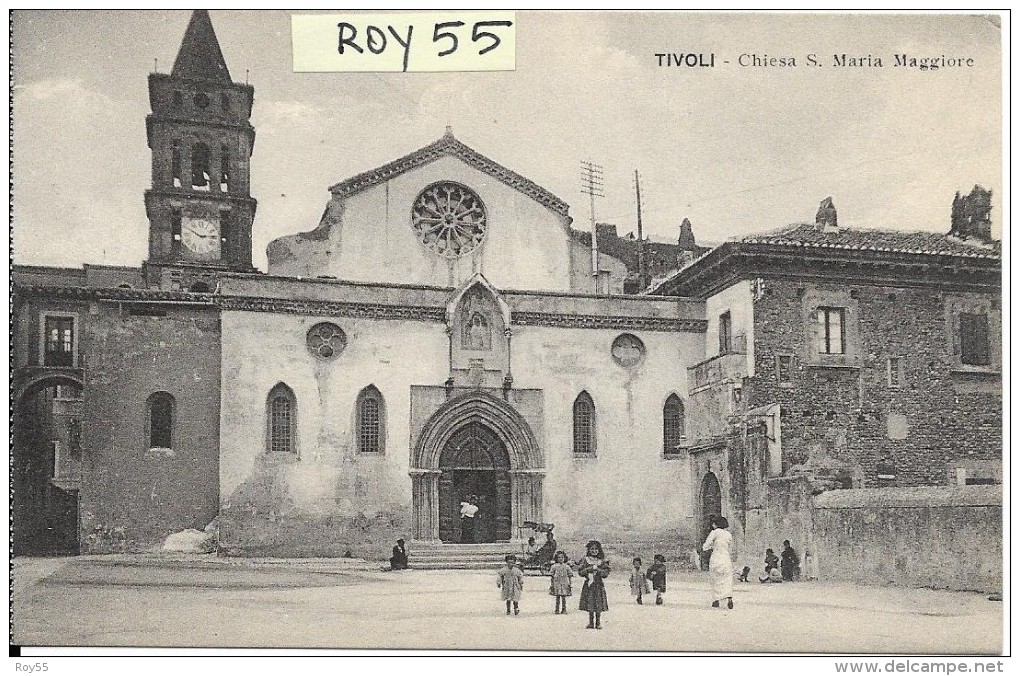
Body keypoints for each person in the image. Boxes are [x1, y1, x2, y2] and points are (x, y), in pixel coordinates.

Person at [702, 516, 735, 609]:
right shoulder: (728, 534)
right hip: (726, 557)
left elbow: (706, 546)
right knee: (727, 578)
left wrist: (711, 547)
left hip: (716, 557)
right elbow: (731, 548)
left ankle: (716, 600)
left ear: (716, 524)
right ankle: (729, 598)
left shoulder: (714, 532)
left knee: (715, 578)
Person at [578, 540, 610, 629]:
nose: (594, 551)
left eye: (596, 549)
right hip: (589, 585)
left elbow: (606, 573)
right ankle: (591, 622)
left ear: (599, 550)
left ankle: (598, 622)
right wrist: (589, 569)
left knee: (598, 603)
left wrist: (599, 570)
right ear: (589, 550)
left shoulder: (601, 561)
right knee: (590, 603)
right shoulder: (586, 560)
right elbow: (580, 572)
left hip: (598, 585)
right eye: (592, 549)